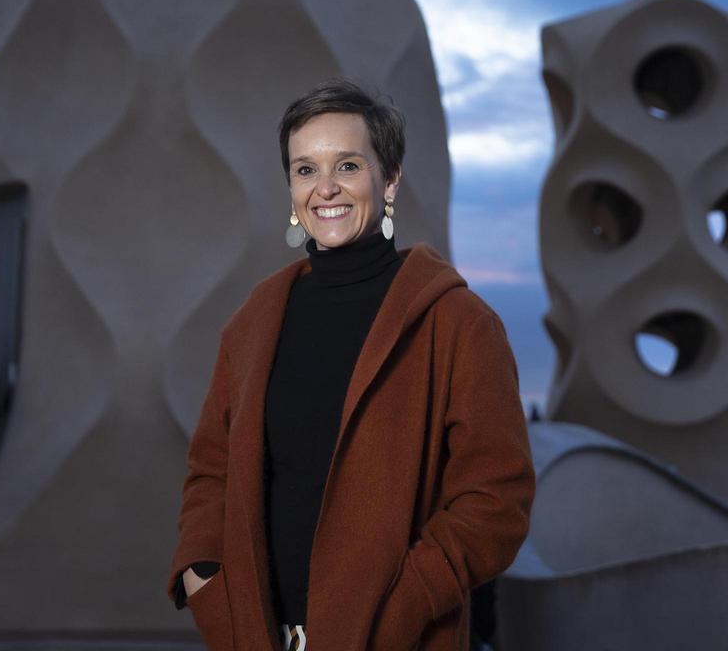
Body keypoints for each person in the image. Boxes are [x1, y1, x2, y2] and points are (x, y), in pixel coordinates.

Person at [167, 78, 535, 651]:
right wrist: (204, 578)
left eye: (348, 166)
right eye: (305, 170)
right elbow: (211, 469)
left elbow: (496, 501)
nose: (325, 189)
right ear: (290, 187)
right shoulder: (255, 320)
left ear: (388, 179)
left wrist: (403, 604)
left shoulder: (458, 322)